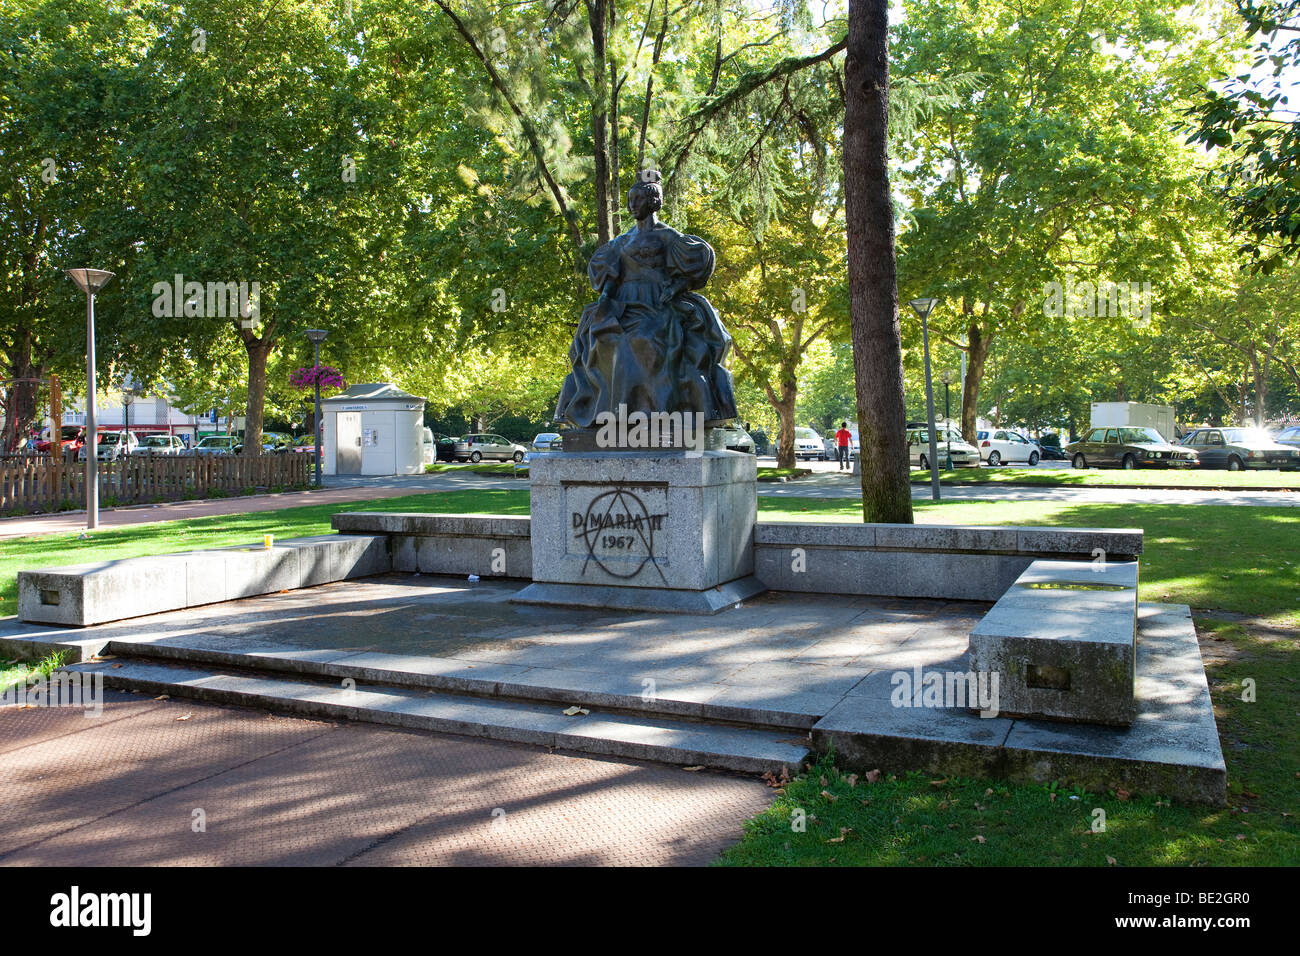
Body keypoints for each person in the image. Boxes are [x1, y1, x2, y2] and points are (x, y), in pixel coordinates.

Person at [555, 170, 738, 431]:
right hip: (623, 304)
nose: (632, 205)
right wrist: (605, 305)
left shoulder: (668, 237)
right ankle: (612, 417)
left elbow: (697, 266)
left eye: (638, 200)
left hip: (659, 304)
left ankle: (654, 414)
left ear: (653, 202)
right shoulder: (621, 242)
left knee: (645, 340)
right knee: (599, 340)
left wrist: (675, 287)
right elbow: (608, 280)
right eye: (630, 200)